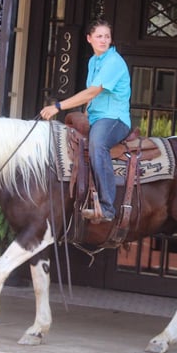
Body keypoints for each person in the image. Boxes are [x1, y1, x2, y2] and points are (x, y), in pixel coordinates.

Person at [40, 18, 132, 222]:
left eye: (107, 36)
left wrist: (58, 106)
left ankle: (107, 208)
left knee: (98, 143)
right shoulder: (93, 62)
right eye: (99, 36)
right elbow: (92, 99)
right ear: (89, 38)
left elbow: (92, 92)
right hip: (97, 118)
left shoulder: (113, 61)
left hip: (114, 118)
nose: (103, 40)